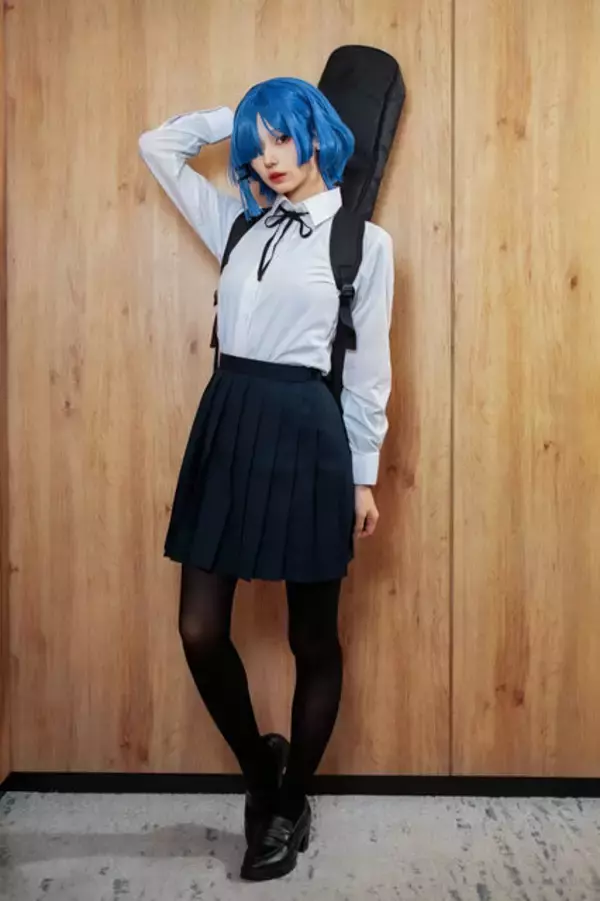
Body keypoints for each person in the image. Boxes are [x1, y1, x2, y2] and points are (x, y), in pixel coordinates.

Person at [138, 76, 394, 882]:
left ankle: (291, 802)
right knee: (199, 628)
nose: (268, 158)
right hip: (228, 422)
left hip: (310, 433)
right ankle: (262, 772)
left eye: (283, 137)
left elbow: (369, 373)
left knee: (311, 636)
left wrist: (363, 476)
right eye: (256, 147)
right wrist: (239, 114)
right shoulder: (239, 223)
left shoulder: (364, 243)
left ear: (317, 132)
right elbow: (157, 147)